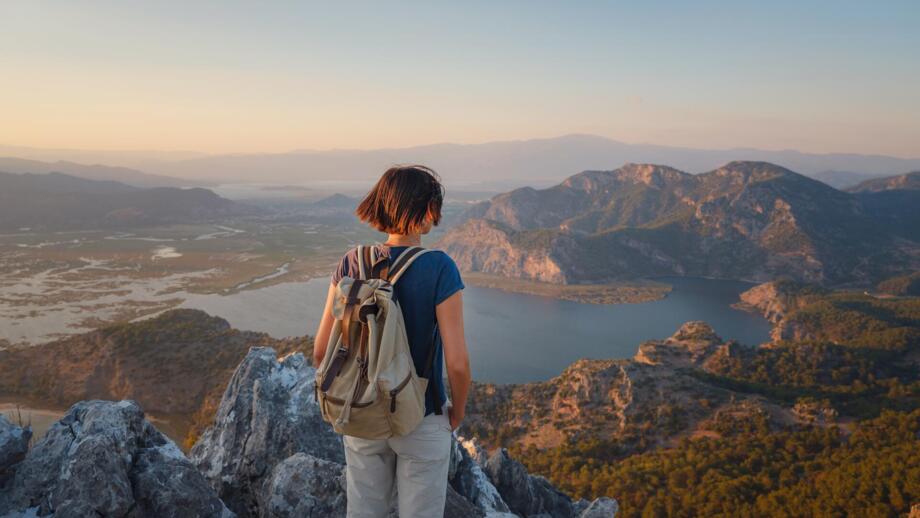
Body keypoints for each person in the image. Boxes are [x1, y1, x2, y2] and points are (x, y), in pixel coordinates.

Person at [312, 165, 471, 518]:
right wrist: (455, 413)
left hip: (362, 410)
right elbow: (457, 363)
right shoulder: (439, 268)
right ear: (428, 210)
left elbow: (322, 350)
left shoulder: (351, 264)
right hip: (421, 415)